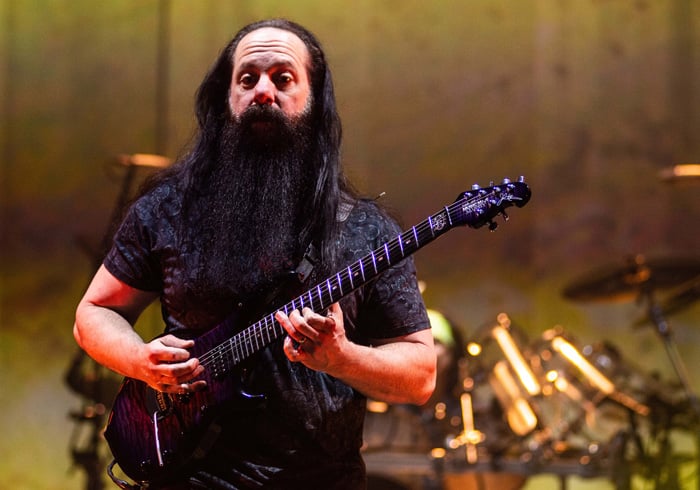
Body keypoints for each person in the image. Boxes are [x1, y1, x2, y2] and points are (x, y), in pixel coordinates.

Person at [73, 18, 436, 490]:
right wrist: (139, 359)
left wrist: (341, 358)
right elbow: (95, 312)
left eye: (283, 78)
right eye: (247, 79)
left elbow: (420, 376)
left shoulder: (365, 229)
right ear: (226, 98)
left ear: (314, 100)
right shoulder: (168, 208)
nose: (263, 91)